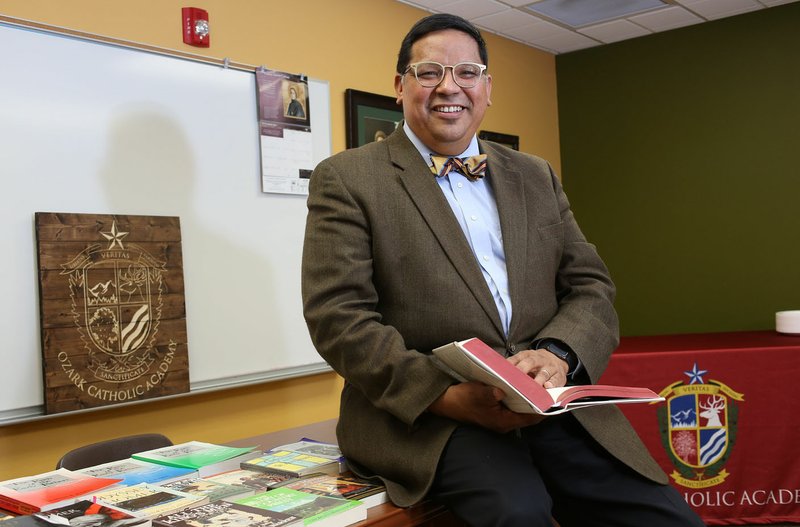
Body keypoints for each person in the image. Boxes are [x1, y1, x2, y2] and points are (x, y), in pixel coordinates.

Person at [301, 13, 705, 527]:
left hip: (548, 403)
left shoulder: (535, 174)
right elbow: (339, 317)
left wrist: (557, 355)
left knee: (665, 518)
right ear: (400, 87)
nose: (450, 87)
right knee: (518, 513)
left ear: (487, 88)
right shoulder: (348, 178)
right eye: (429, 73)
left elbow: (589, 286)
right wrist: (447, 396)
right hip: (429, 415)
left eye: (467, 72)